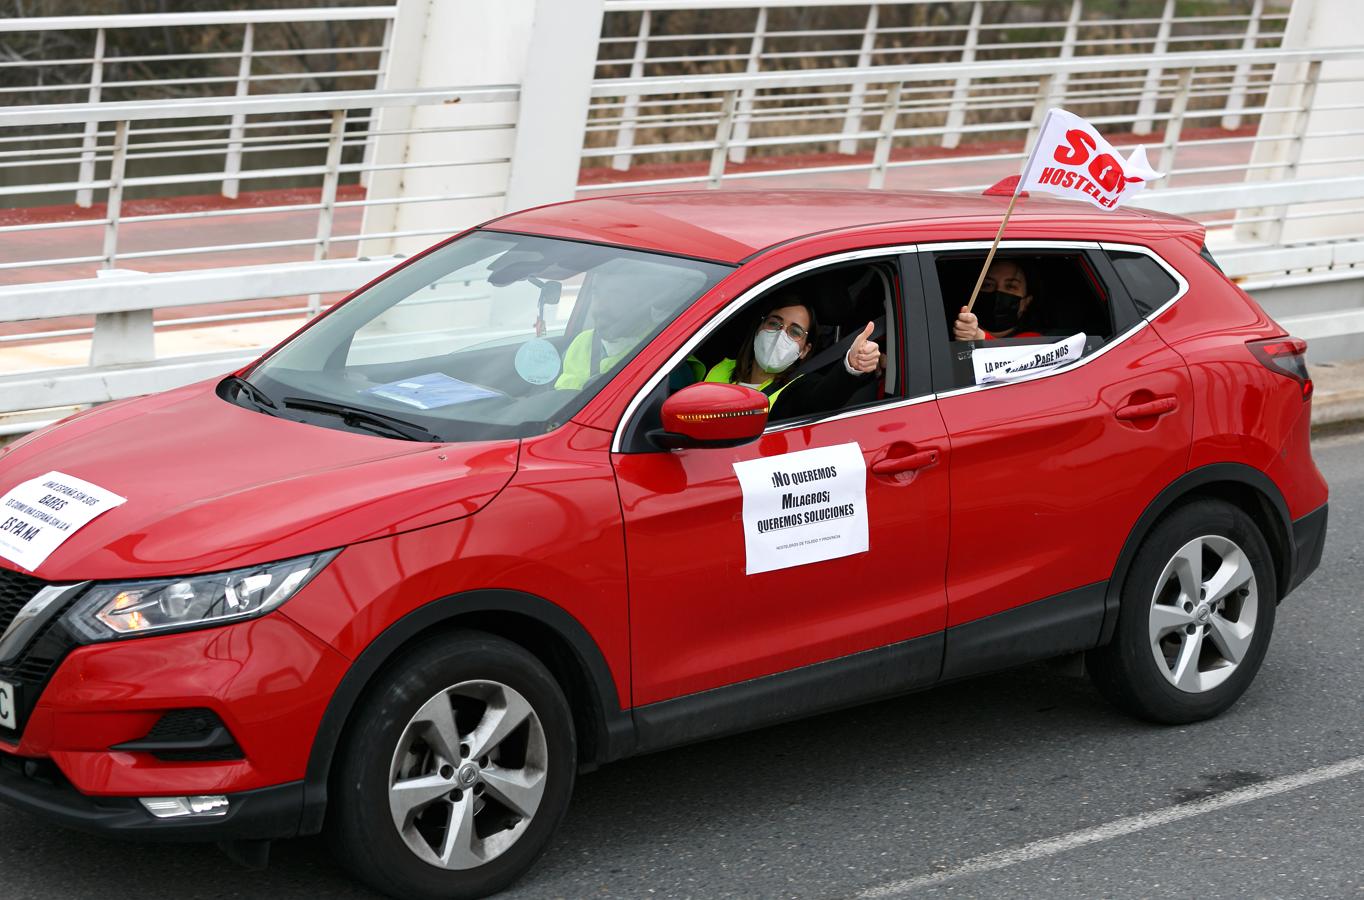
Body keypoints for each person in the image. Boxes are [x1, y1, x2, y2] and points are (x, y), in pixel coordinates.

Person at [704, 297, 881, 419]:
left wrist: (852, 364)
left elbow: (824, 396)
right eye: (774, 323)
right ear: (759, 328)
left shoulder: (798, 388)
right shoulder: (721, 367)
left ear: (804, 350)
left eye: (794, 331)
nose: (780, 334)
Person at [952, 259, 1043, 341]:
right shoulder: (946, 334)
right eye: (987, 285)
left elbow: (1010, 355)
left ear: (1026, 303)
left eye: (1010, 286)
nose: (998, 291)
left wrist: (979, 337)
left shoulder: (1035, 341)